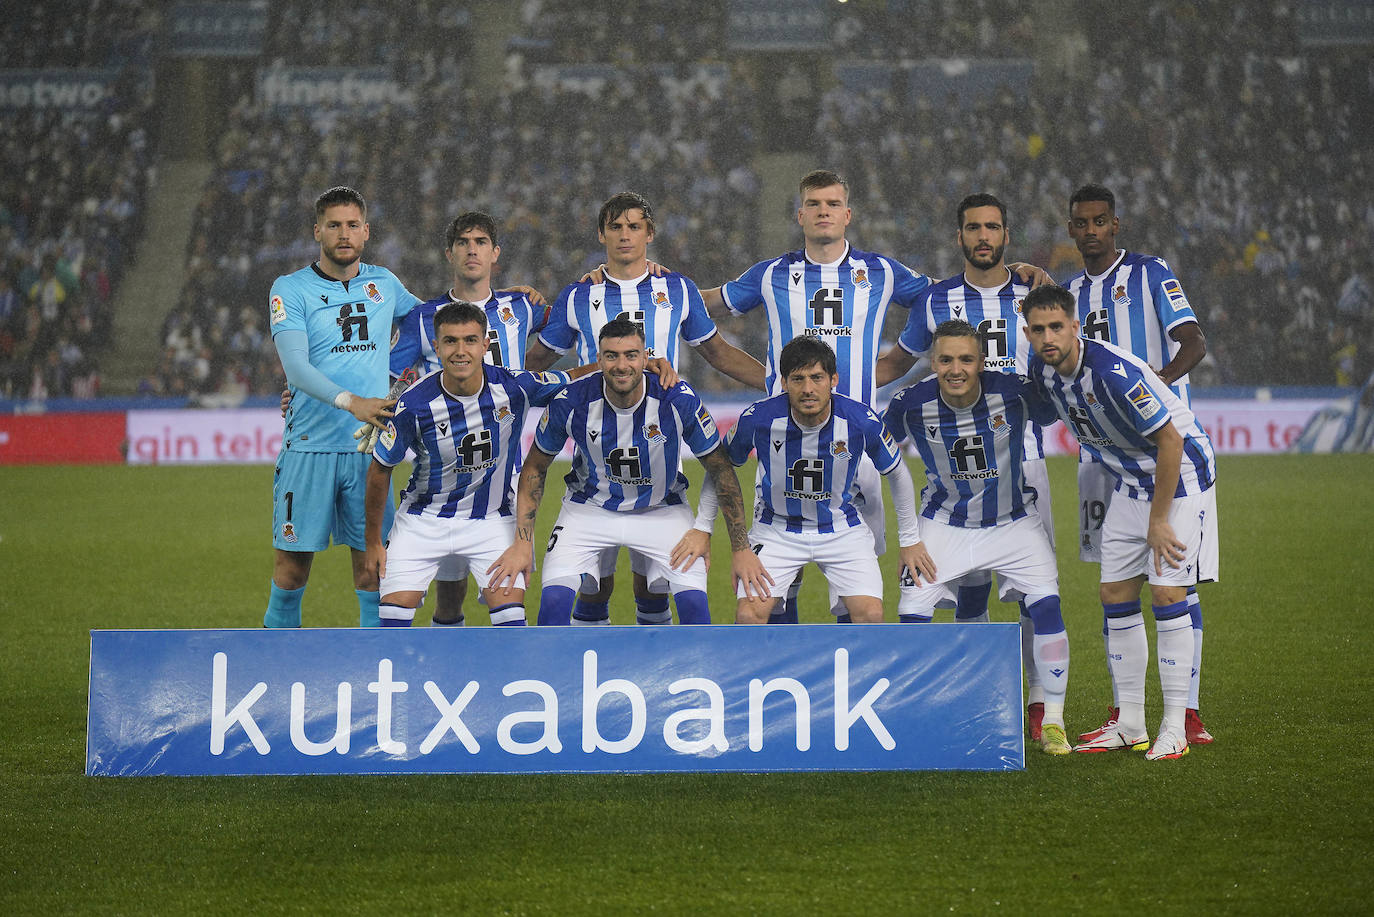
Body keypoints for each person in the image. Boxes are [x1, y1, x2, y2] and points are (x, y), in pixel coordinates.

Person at [702, 170, 1046, 624]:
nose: (823, 211)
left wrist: (1015, 271)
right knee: (780, 580)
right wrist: (646, 284)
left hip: (857, 444)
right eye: (814, 203)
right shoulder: (771, 274)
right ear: (799, 214)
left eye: (832, 203)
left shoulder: (882, 272)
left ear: (848, 214)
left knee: (853, 588)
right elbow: (701, 305)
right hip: (785, 440)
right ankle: (787, 686)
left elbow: (956, 292)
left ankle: (845, 684)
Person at [523, 191, 766, 626]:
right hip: (594, 458)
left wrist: (775, 383)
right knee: (595, 588)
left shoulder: (676, 288)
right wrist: (595, 364)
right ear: (601, 234)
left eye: (634, 226)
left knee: (651, 587)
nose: (624, 235)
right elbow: (533, 365)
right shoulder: (580, 295)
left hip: (658, 451)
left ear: (650, 234)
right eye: (615, 227)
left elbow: (717, 352)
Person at [873, 192, 1057, 740]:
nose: (983, 236)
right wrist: (833, 384)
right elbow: (898, 364)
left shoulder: (1034, 290)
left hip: (1023, 459)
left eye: (993, 228)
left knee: (1034, 590)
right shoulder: (934, 301)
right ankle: (967, 695)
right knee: (968, 581)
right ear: (960, 237)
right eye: (973, 228)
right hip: (954, 463)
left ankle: (1038, 702)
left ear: (1006, 234)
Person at [1024, 285, 1219, 761]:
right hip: (1129, 481)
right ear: (1027, 334)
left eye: (1056, 327)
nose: (1048, 337)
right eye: (1037, 329)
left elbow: (1171, 442)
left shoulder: (1111, 373)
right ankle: (1130, 722)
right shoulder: (1042, 369)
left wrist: (1158, 522)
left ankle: (1173, 727)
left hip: (1181, 477)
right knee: (1114, 593)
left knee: (1167, 591)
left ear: (1075, 327)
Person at [489, 319, 770, 624]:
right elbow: (534, 467)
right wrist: (522, 541)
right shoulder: (571, 402)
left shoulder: (676, 399)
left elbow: (721, 469)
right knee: (554, 603)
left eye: (631, 355)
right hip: (588, 508)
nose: (621, 365)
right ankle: (564, 672)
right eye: (611, 356)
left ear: (645, 358)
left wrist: (722, 538)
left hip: (662, 509)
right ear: (599, 359)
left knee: (694, 610)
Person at [1063, 184, 1213, 746]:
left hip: (1163, 451)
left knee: (1176, 581)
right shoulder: (1069, 293)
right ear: (1072, 229)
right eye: (1082, 223)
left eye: (1101, 221)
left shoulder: (1150, 274)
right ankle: (1126, 712)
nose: (1091, 230)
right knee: (1115, 583)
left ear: (1116, 225)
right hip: (1101, 461)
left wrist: (1153, 385)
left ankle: (1187, 712)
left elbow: (1194, 343)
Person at [883, 320, 1071, 755]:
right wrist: (908, 537)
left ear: (981, 362)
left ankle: (1054, 721)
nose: (956, 369)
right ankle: (921, 714)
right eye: (946, 359)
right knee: (912, 610)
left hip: (1014, 521)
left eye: (966, 359)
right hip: (943, 522)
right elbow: (879, 458)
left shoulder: (1013, 390)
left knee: (1046, 604)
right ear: (933, 362)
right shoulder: (911, 403)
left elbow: (1061, 405)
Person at [363, 301, 586, 627]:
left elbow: (571, 377)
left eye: (470, 340)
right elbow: (379, 469)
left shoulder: (513, 387)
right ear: (436, 348)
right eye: (450, 341)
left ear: (485, 345)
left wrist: (642, 365)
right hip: (423, 521)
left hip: (493, 519)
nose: (460, 350)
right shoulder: (413, 403)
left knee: (511, 622)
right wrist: (372, 544)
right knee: (392, 625)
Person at [264, 186, 421, 628]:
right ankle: (276, 673)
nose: (344, 233)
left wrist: (506, 295)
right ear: (318, 231)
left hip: (368, 452)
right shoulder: (290, 289)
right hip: (309, 447)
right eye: (334, 225)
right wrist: (352, 402)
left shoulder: (384, 283)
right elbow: (295, 366)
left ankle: (376, 680)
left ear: (366, 232)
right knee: (291, 573)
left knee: (373, 572)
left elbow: (434, 322)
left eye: (353, 225)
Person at [384, 211, 549, 627]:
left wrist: (603, 274)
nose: (471, 249)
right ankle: (449, 662)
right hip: (445, 465)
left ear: (496, 253)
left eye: (480, 242)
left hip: (503, 473)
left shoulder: (521, 307)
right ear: (449, 253)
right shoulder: (425, 318)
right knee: (449, 593)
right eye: (462, 242)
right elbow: (384, 377)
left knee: (505, 596)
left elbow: (578, 325)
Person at [712, 336, 926, 625]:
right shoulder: (759, 419)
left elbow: (898, 472)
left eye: (817, 378)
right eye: (798, 379)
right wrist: (733, 544)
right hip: (775, 530)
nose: (808, 389)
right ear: (784, 383)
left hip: (841, 528)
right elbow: (720, 468)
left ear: (833, 379)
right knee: (749, 615)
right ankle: (770, 672)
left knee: (871, 614)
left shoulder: (859, 420)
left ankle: (851, 671)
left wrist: (910, 540)